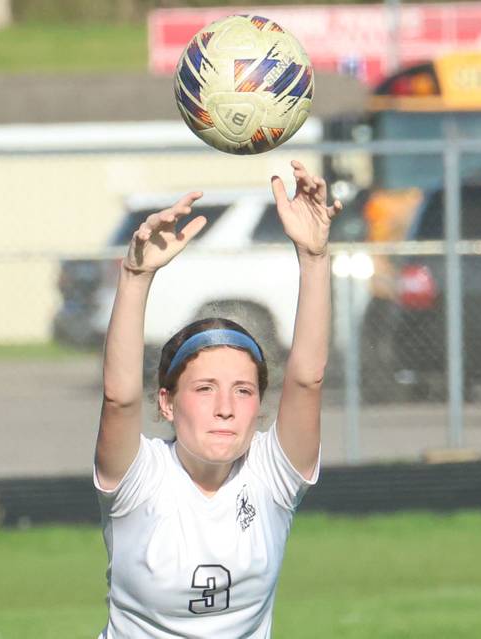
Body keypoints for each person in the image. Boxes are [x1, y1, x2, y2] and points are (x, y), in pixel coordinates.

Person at [94, 160, 342, 638]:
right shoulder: (140, 476)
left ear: (259, 406)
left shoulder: (272, 474)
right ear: (166, 402)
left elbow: (308, 379)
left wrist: (313, 257)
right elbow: (119, 398)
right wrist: (135, 275)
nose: (225, 406)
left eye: (243, 390)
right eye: (204, 388)